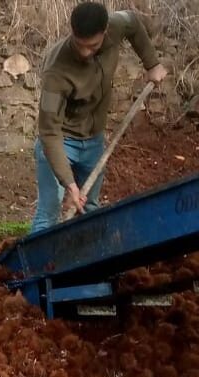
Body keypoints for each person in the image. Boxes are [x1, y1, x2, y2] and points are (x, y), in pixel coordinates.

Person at [30, 2, 167, 233]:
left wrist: (152, 63)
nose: (85, 52)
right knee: (48, 214)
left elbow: (132, 21)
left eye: (92, 46)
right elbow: (49, 132)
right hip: (61, 142)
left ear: (105, 32)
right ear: (72, 32)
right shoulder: (56, 71)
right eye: (79, 44)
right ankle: (34, 267)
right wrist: (69, 184)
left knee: (91, 209)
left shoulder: (116, 26)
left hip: (93, 141)